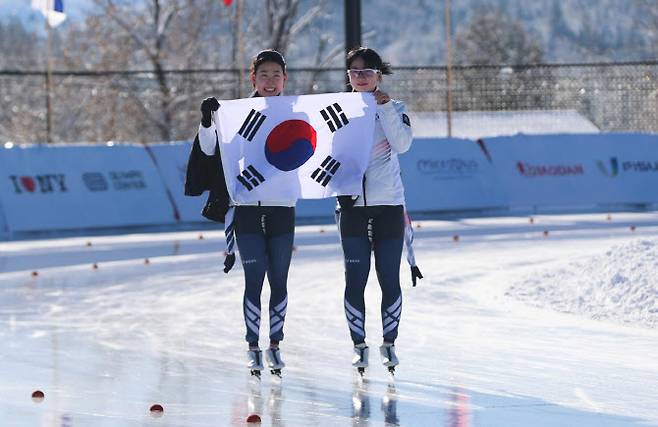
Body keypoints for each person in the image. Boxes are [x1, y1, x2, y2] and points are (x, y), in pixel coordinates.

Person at [195, 49, 294, 378]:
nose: (269, 81)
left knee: (278, 282)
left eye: (275, 75)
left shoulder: (301, 115)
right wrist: (207, 121)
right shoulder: (237, 115)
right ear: (253, 79)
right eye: (263, 75)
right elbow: (211, 148)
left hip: (282, 210)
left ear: (285, 79)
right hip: (247, 211)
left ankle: (275, 345)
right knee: (254, 281)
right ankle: (253, 347)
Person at [337, 47, 413, 375]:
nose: (362, 76)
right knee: (355, 279)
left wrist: (384, 110)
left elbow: (403, 144)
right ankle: (358, 346)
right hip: (352, 208)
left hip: (388, 206)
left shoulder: (394, 108)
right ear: (348, 76)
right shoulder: (338, 110)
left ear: (379, 75)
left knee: (388, 278)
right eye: (355, 71)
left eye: (368, 71)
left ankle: (389, 343)